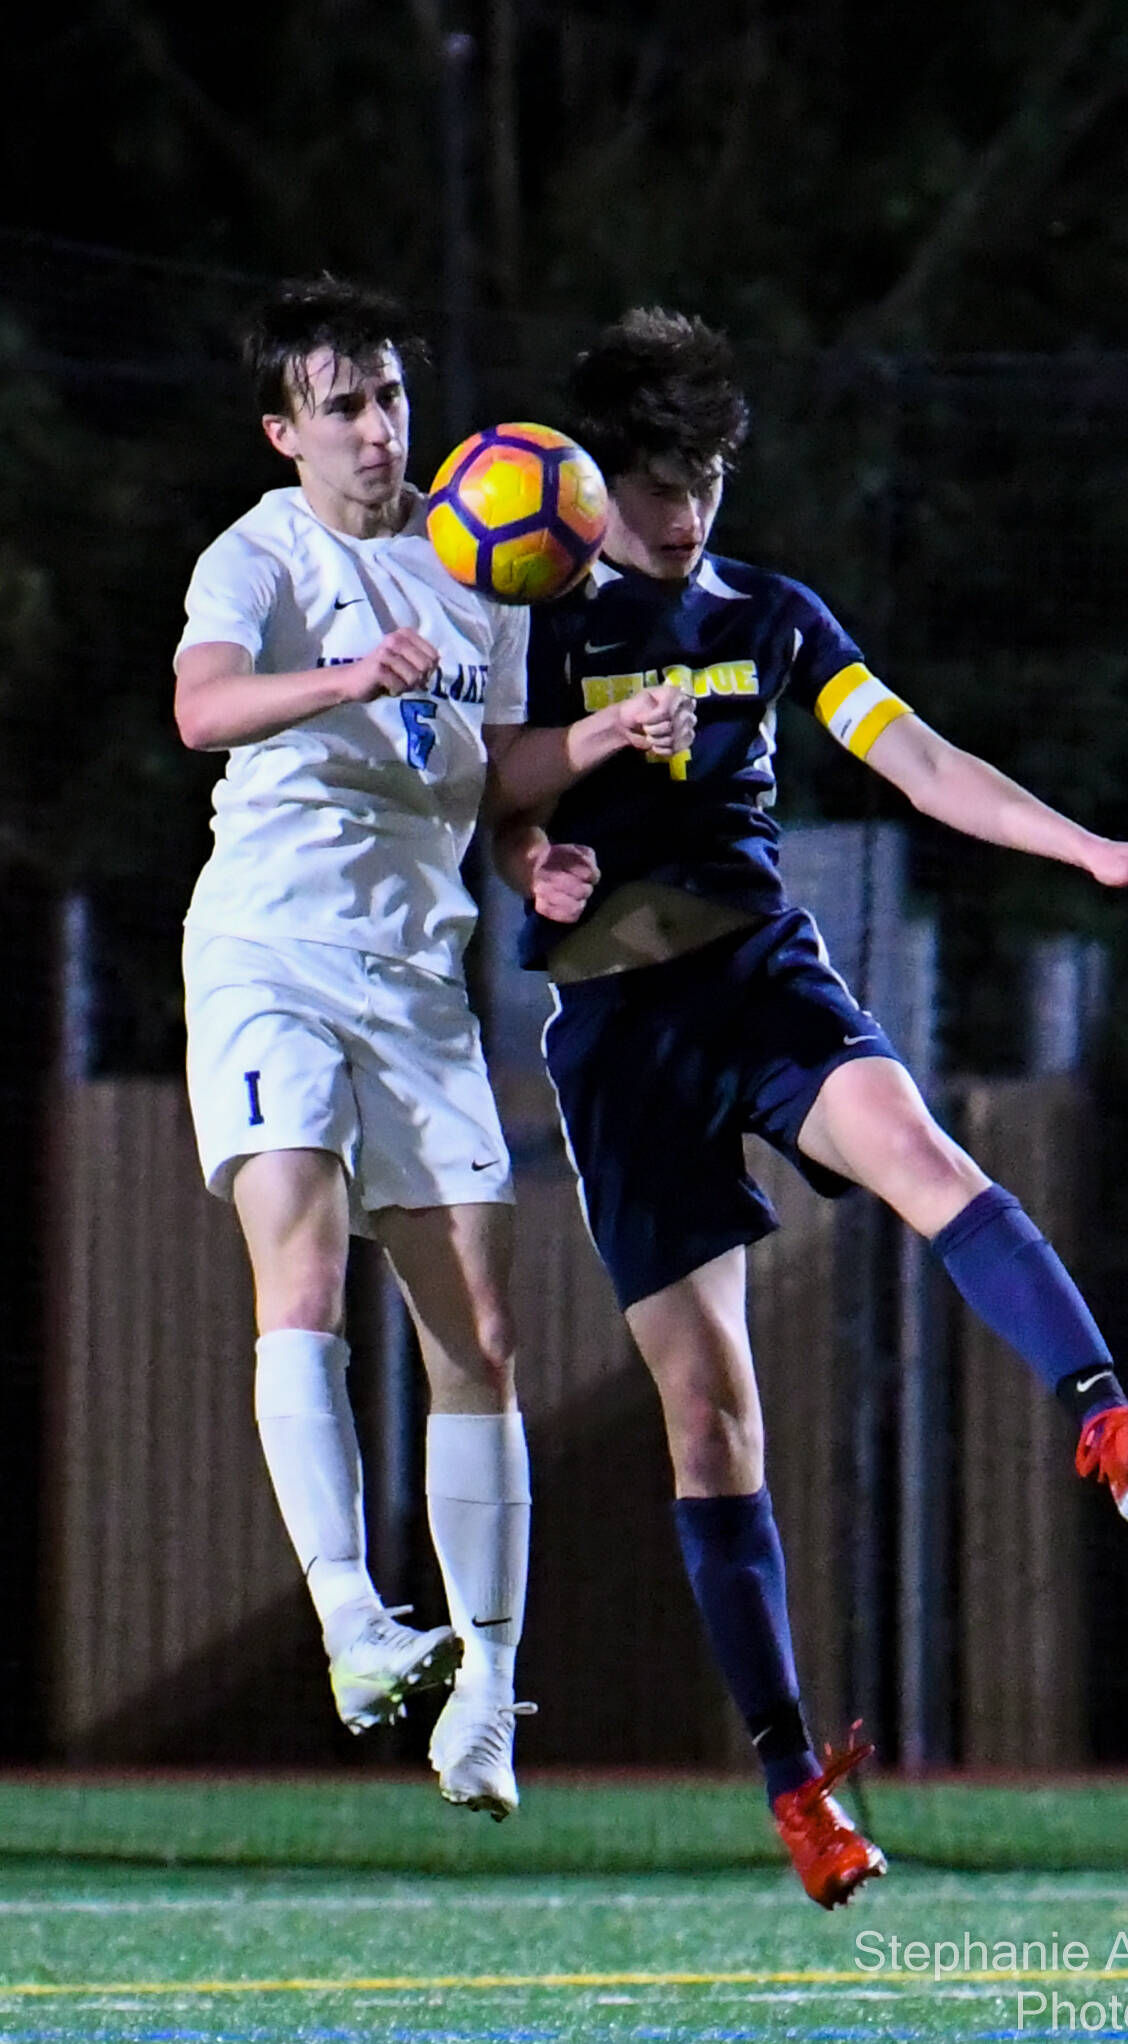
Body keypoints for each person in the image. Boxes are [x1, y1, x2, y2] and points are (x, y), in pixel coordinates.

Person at [489, 307, 1128, 1904]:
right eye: (663, 483)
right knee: (712, 1415)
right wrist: (533, 854)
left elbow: (922, 759)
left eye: (710, 478)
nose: (692, 514)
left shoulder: (771, 613)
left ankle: (1102, 1419)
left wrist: (1089, 847)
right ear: (590, 485)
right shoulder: (531, 621)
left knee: (925, 1156)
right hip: (621, 1034)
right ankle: (797, 1785)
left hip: (762, 981)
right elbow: (484, 790)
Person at [172, 277, 690, 1816]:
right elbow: (200, 709)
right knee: (307, 1271)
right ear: (285, 432)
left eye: (390, 396)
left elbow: (489, 776)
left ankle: (483, 1690)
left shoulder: (481, 563)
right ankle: (346, 1619)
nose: (380, 429)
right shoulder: (257, 554)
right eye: (343, 406)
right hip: (271, 950)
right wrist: (342, 676)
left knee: (481, 1329)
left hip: (421, 981)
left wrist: (552, 828)